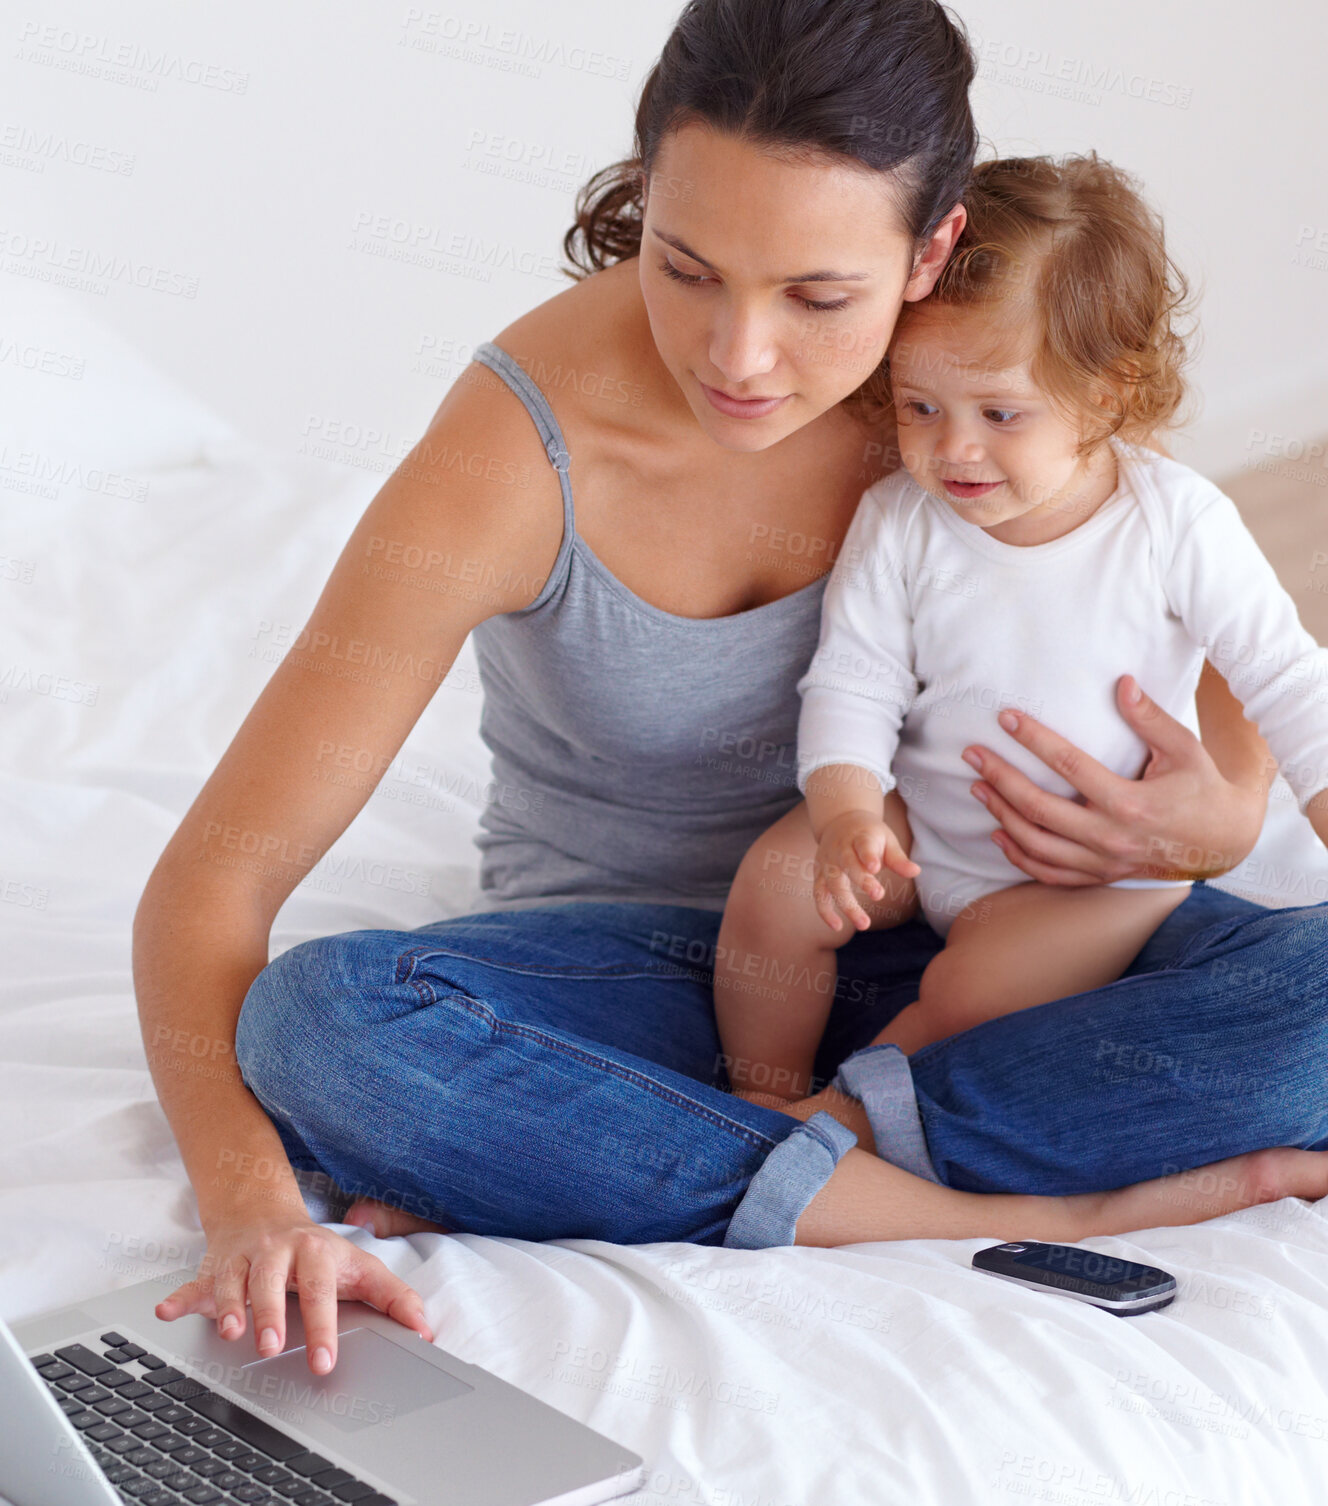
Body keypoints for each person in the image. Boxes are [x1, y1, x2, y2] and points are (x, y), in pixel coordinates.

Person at [130, 0, 1328, 1381]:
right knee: (323, 1027)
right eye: (683, 265)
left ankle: (678, 1156)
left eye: (820, 297)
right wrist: (251, 1208)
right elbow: (213, 889)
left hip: (1009, 933)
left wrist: (1223, 820)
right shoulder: (519, 455)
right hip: (651, 981)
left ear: (933, 251)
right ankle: (1006, 1204)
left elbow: (1190, 576)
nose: (739, 357)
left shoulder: (961, 388)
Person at [713, 152, 1328, 1094]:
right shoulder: (900, 519)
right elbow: (853, 682)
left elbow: (1285, 679)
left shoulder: (1175, 522)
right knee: (775, 882)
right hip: (924, 831)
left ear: (1108, 393)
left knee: (970, 990)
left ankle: (844, 1122)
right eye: (920, 406)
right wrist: (845, 816)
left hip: (1093, 880)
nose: (954, 448)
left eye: (1001, 412)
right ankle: (762, 1089)